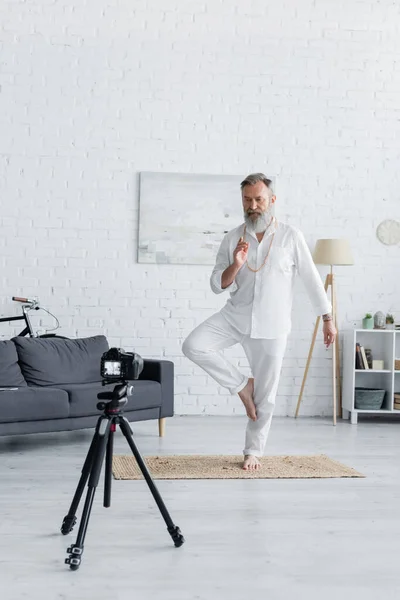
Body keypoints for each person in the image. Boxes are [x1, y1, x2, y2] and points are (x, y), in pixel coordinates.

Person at [182, 173, 336, 471]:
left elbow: (312, 280)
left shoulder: (291, 236)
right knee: (194, 345)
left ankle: (253, 451)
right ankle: (242, 385)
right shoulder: (233, 237)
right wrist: (236, 264)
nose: (253, 206)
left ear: (272, 201)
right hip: (235, 316)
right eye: (247, 200)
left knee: (266, 396)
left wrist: (327, 318)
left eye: (259, 200)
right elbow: (217, 284)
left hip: (272, 326)